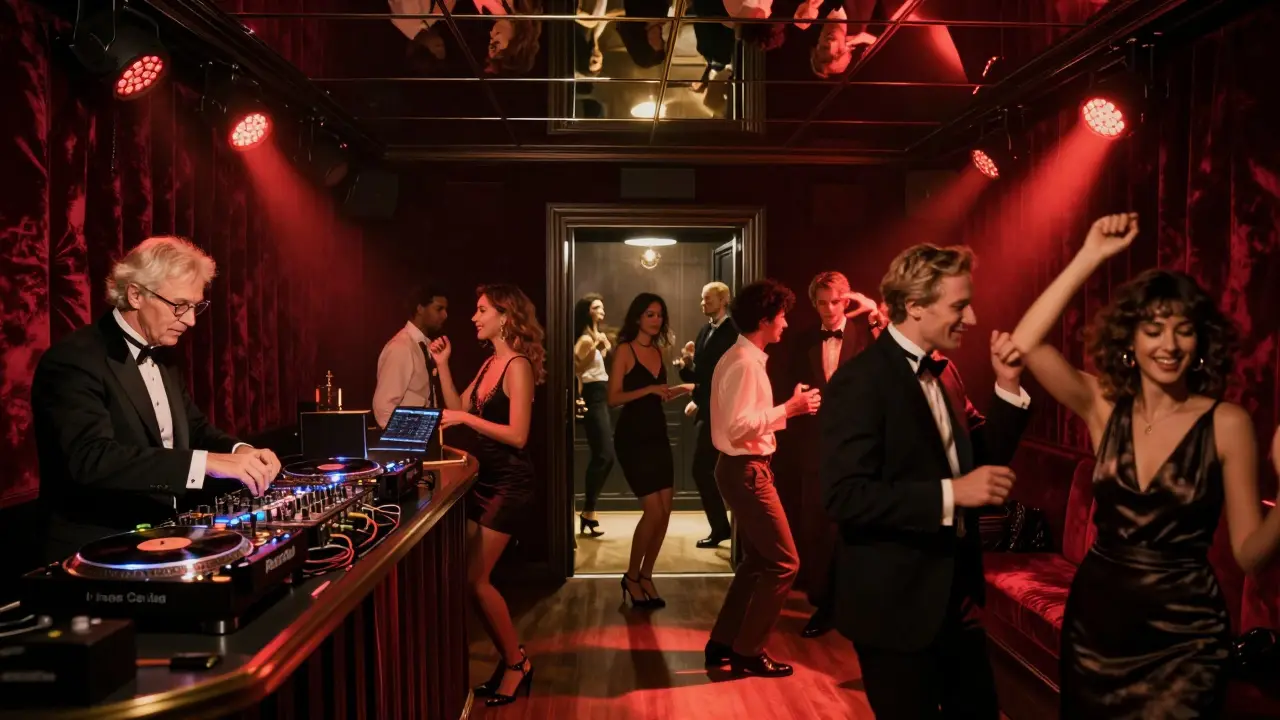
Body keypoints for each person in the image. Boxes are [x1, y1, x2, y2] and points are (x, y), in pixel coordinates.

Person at [1008, 213, 1280, 717]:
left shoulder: (1228, 423)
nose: (1169, 345)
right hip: (1098, 624)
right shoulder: (1101, 403)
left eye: (1183, 331)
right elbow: (1025, 342)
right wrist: (1089, 255)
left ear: (1201, 343)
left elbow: (1249, 556)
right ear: (1129, 340)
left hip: (1188, 635)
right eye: (1153, 330)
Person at [821, 244, 1030, 718]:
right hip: (892, 605)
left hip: (953, 597)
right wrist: (951, 494)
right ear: (914, 305)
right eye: (959, 306)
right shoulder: (861, 381)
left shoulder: (945, 371)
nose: (972, 318)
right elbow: (844, 497)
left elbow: (984, 463)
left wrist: (1010, 385)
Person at [31, 236, 282, 563]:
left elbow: (195, 427)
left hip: (160, 537)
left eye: (195, 306)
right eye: (179, 305)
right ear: (136, 294)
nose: (190, 320)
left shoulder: (164, 356)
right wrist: (206, 463)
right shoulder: (74, 359)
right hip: (97, 550)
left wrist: (241, 451)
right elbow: (92, 459)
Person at [429, 284, 545, 708]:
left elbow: (518, 435)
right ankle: (511, 659)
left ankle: (516, 664)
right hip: (486, 480)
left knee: (476, 581)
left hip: (511, 484)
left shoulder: (517, 366)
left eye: (481, 311)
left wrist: (462, 417)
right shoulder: (490, 362)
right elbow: (458, 405)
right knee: (470, 580)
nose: (474, 318)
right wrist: (443, 365)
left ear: (505, 316)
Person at [705, 279, 821, 678]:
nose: (786, 324)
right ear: (765, 320)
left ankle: (722, 643)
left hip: (743, 470)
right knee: (786, 563)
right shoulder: (743, 363)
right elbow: (740, 428)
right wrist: (790, 408)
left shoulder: (741, 358)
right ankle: (748, 650)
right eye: (782, 317)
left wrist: (787, 408)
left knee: (758, 561)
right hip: (746, 471)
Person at [790, 271, 880, 639]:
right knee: (817, 530)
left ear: (848, 300)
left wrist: (874, 312)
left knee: (858, 529)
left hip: (860, 451)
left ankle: (857, 608)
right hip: (816, 450)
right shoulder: (801, 342)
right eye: (821, 303)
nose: (828, 310)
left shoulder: (868, 335)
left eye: (835, 301)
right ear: (814, 303)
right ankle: (824, 605)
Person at [609, 293, 692, 608]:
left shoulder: (659, 351)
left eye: (659, 314)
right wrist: (649, 389)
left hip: (657, 433)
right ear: (637, 319)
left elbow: (656, 396)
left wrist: (677, 391)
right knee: (653, 511)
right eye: (649, 314)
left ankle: (646, 575)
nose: (655, 320)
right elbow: (614, 398)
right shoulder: (624, 351)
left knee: (666, 511)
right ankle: (631, 576)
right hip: (632, 437)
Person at [675, 281, 738, 548]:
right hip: (708, 410)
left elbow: (724, 377)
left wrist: (699, 397)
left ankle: (727, 529)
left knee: (706, 470)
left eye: (708, 299)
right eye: (702, 299)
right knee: (706, 470)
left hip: (726, 413)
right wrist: (687, 364)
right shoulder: (704, 331)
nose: (703, 304)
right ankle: (723, 527)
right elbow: (700, 375)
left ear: (724, 300)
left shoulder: (734, 332)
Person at [372, 284, 449, 428]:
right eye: (439, 309)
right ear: (420, 308)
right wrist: (409, 440)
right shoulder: (401, 347)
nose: (445, 315)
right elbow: (383, 408)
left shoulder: (424, 345)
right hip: (407, 446)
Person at [573, 293, 613, 537]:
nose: (602, 310)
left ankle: (589, 511)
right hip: (592, 396)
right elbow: (577, 367)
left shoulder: (595, 336)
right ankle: (588, 509)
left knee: (604, 455)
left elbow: (595, 367)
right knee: (604, 455)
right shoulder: (586, 339)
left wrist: (603, 348)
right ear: (589, 311)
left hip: (601, 394)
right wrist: (596, 348)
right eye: (598, 307)